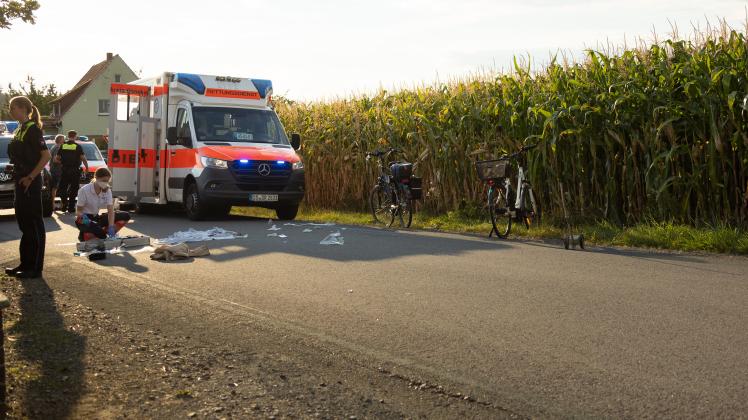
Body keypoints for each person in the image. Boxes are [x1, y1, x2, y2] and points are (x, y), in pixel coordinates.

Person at [4, 96, 51, 279]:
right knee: (24, 224)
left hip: (30, 183)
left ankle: (35, 268)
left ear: (23, 108)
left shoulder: (32, 129)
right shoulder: (19, 129)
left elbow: (45, 156)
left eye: (12, 107)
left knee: (33, 223)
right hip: (20, 180)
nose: (10, 111)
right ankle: (25, 263)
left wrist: (31, 177)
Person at [74, 167, 131, 242]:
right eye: (103, 181)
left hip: (96, 217)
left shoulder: (107, 190)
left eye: (107, 181)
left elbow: (110, 210)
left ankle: (105, 233)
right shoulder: (84, 190)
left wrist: (111, 227)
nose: (105, 183)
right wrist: (88, 221)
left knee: (125, 216)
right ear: (96, 178)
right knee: (100, 233)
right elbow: (78, 212)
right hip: (83, 218)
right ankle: (85, 235)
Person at [57, 130, 88, 213]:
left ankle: (64, 203)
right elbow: (83, 158)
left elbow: (57, 159)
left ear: (68, 136)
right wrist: (87, 168)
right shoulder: (77, 146)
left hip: (65, 170)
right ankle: (71, 207)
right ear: (75, 136)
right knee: (74, 189)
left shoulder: (63, 146)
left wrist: (63, 162)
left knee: (62, 188)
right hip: (74, 170)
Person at [49, 134, 64, 209]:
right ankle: (54, 204)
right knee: (56, 187)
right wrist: (64, 162)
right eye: (63, 139)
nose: (64, 140)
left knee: (54, 187)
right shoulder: (58, 147)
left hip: (53, 170)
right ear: (60, 140)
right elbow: (55, 160)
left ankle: (53, 204)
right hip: (57, 170)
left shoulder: (53, 146)